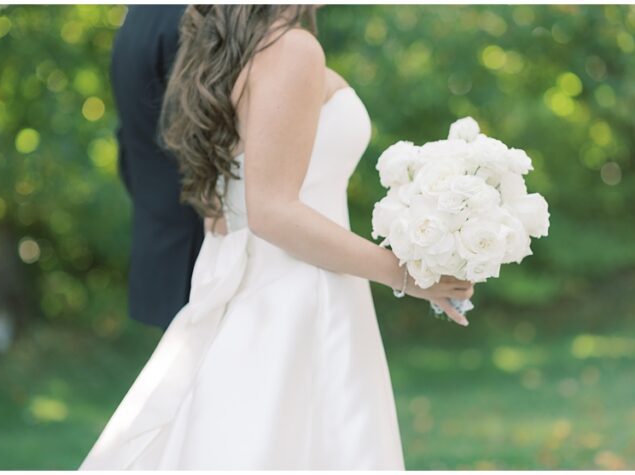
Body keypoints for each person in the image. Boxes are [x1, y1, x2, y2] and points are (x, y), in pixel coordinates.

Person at [81, 5, 474, 469]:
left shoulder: (230, 47)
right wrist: (405, 275)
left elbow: (225, 210)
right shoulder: (291, 47)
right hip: (301, 295)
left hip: (259, 284)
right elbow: (271, 212)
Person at [110, 5, 204, 330]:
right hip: (200, 241)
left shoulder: (135, 17)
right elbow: (205, 137)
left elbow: (127, 143)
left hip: (160, 235)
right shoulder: (196, 16)